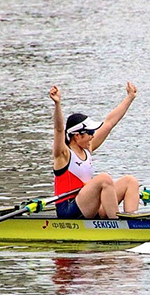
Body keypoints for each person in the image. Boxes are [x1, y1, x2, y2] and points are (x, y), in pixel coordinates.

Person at [50, 82, 140, 219]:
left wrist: (130, 98)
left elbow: (109, 123)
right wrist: (57, 104)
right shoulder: (63, 154)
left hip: (88, 205)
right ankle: (116, 224)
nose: (93, 136)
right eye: (90, 132)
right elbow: (58, 129)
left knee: (130, 181)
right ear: (77, 135)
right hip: (68, 209)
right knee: (104, 178)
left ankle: (133, 222)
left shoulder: (87, 148)